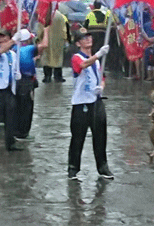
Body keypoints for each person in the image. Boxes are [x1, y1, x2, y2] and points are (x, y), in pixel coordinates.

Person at [67, 27, 113, 180]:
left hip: (96, 102)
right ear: (78, 43)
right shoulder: (76, 57)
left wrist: (102, 87)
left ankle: (103, 167)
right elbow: (82, 65)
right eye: (84, 38)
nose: (88, 39)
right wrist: (99, 54)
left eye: (89, 37)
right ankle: (73, 168)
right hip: (81, 104)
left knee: (100, 136)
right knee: (77, 137)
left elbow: (102, 77)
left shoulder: (98, 61)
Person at [12, 27, 49, 142]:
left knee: (17, 107)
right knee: (26, 109)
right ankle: (22, 133)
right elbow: (44, 45)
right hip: (26, 82)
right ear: (27, 40)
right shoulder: (28, 49)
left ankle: (15, 130)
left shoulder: (13, 48)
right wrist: (46, 31)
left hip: (15, 82)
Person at [39, 10, 67, 83]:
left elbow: (40, 29)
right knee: (58, 58)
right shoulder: (60, 16)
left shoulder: (43, 15)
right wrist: (65, 38)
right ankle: (58, 76)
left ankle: (47, 76)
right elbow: (64, 29)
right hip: (58, 41)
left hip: (46, 40)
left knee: (46, 58)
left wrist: (39, 38)